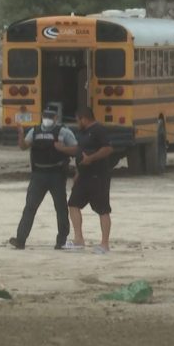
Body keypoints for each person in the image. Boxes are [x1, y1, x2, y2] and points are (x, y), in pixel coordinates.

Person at [9, 107, 78, 250]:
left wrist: (62, 149)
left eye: (50, 117)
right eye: (45, 116)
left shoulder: (64, 132)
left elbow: (76, 149)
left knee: (60, 208)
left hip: (57, 175)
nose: (47, 119)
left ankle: (61, 240)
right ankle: (20, 239)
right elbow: (23, 146)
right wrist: (21, 135)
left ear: (56, 119)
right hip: (38, 175)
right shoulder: (34, 131)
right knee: (30, 207)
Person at [58, 107, 114, 254]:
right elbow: (78, 150)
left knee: (103, 209)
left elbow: (108, 149)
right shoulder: (82, 132)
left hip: (98, 176)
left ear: (84, 118)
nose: (77, 123)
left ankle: (104, 244)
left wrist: (92, 158)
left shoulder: (99, 130)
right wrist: (63, 149)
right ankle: (78, 239)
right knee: (73, 204)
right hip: (83, 175)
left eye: (77, 120)